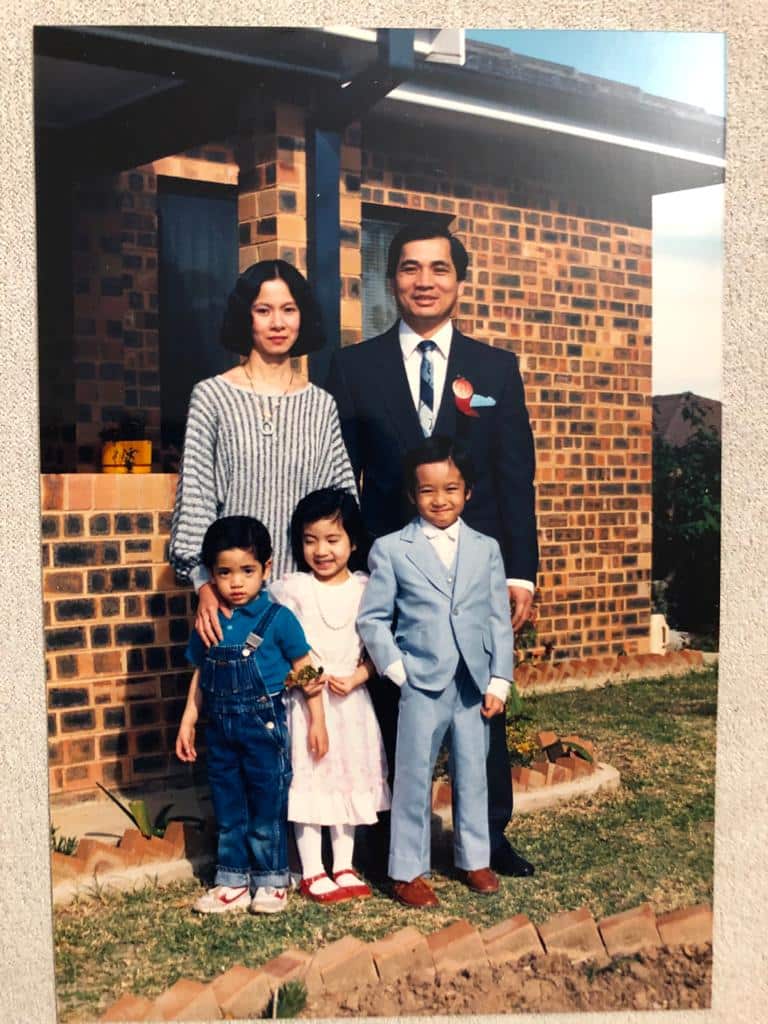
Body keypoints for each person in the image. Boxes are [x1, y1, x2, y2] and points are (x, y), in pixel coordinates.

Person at [328, 223, 537, 876]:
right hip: (394, 567)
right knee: (395, 699)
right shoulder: (353, 368)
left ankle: (490, 837)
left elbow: (513, 476)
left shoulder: (495, 368)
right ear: (391, 283)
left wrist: (522, 573)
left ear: (459, 280)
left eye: (439, 269)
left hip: (475, 569)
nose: (425, 281)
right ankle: (392, 840)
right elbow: (343, 475)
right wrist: (354, 570)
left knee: (481, 698)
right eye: (410, 269)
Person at [357, 436, 513, 907]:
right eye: (428, 491)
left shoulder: (485, 548)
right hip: (420, 682)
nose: (439, 500)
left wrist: (499, 679)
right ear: (412, 494)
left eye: (450, 489)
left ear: (467, 492)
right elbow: (373, 619)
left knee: (472, 771)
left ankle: (474, 858)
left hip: (472, 682)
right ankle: (406, 869)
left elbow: (496, 619)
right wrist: (397, 669)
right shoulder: (391, 549)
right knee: (412, 775)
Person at [170, 259, 357, 649]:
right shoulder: (211, 397)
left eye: (289, 310)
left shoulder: (320, 405)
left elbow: (342, 506)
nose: (277, 323)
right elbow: (197, 500)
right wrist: (205, 584)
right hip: (235, 599)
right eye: (263, 310)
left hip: (308, 601)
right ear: (246, 318)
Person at [176, 516, 326, 915]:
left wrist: (318, 719)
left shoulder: (279, 620)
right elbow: (201, 673)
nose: (236, 582)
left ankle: (272, 880)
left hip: (265, 727)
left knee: (265, 804)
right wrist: (189, 719)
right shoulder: (207, 621)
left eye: (247, 571)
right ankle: (232, 882)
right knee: (228, 805)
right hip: (220, 730)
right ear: (211, 574)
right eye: (224, 573)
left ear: (267, 568)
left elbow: (305, 666)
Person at [270, 488, 391, 903]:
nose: (321, 550)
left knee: (348, 777)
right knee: (312, 778)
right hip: (308, 706)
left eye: (332, 539)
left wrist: (360, 675)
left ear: (353, 542)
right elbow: (286, 650)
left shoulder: (365, 588)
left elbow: (383, 647)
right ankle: (312, 868)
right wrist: (310, 692)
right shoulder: (293, 591)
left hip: (352, 704)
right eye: (310, 540)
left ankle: (343, 863)